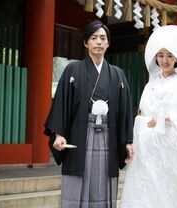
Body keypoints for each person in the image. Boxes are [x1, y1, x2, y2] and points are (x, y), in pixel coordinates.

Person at [44, 20, 134, 208]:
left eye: (103, 38)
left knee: (103, 182)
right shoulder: (72, 70)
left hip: (108, 138)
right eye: (94, 38)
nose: (99, 42)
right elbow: (62, 103)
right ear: (86, 43)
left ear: (108, 43)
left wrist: (127, 141)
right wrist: (59, 134)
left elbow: (125, 111)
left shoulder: (118, 75)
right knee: (77, 181)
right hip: (79, 135)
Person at [120, 25, 177, 208]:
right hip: (152, 151)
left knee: (175, 194)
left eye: (169, 55)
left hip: (174, 152)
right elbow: (142, 116)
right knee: (150, 194)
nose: (164, 60)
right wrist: (145, 123)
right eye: (160, 55)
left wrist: (169, 117)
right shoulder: (150, 86)